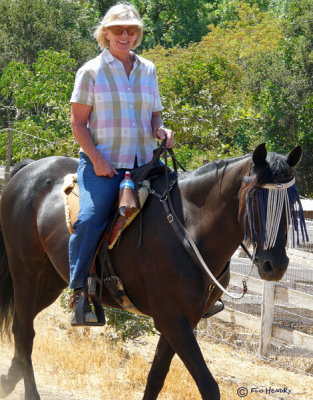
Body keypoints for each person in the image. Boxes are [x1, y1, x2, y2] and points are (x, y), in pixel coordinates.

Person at [68, 2, 173, 325]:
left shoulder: (148, 70)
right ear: (106, 33)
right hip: (105, 166)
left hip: (144, 163)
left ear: (137, 34)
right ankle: (79, 293)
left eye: (130, 30)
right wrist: (97, 160)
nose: (124, 35)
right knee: (88, 218)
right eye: (118, 30)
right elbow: (78, 124)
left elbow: (154, 113)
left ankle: (195, 291)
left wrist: (161, 129)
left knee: (185, 205)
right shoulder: (90, 72)